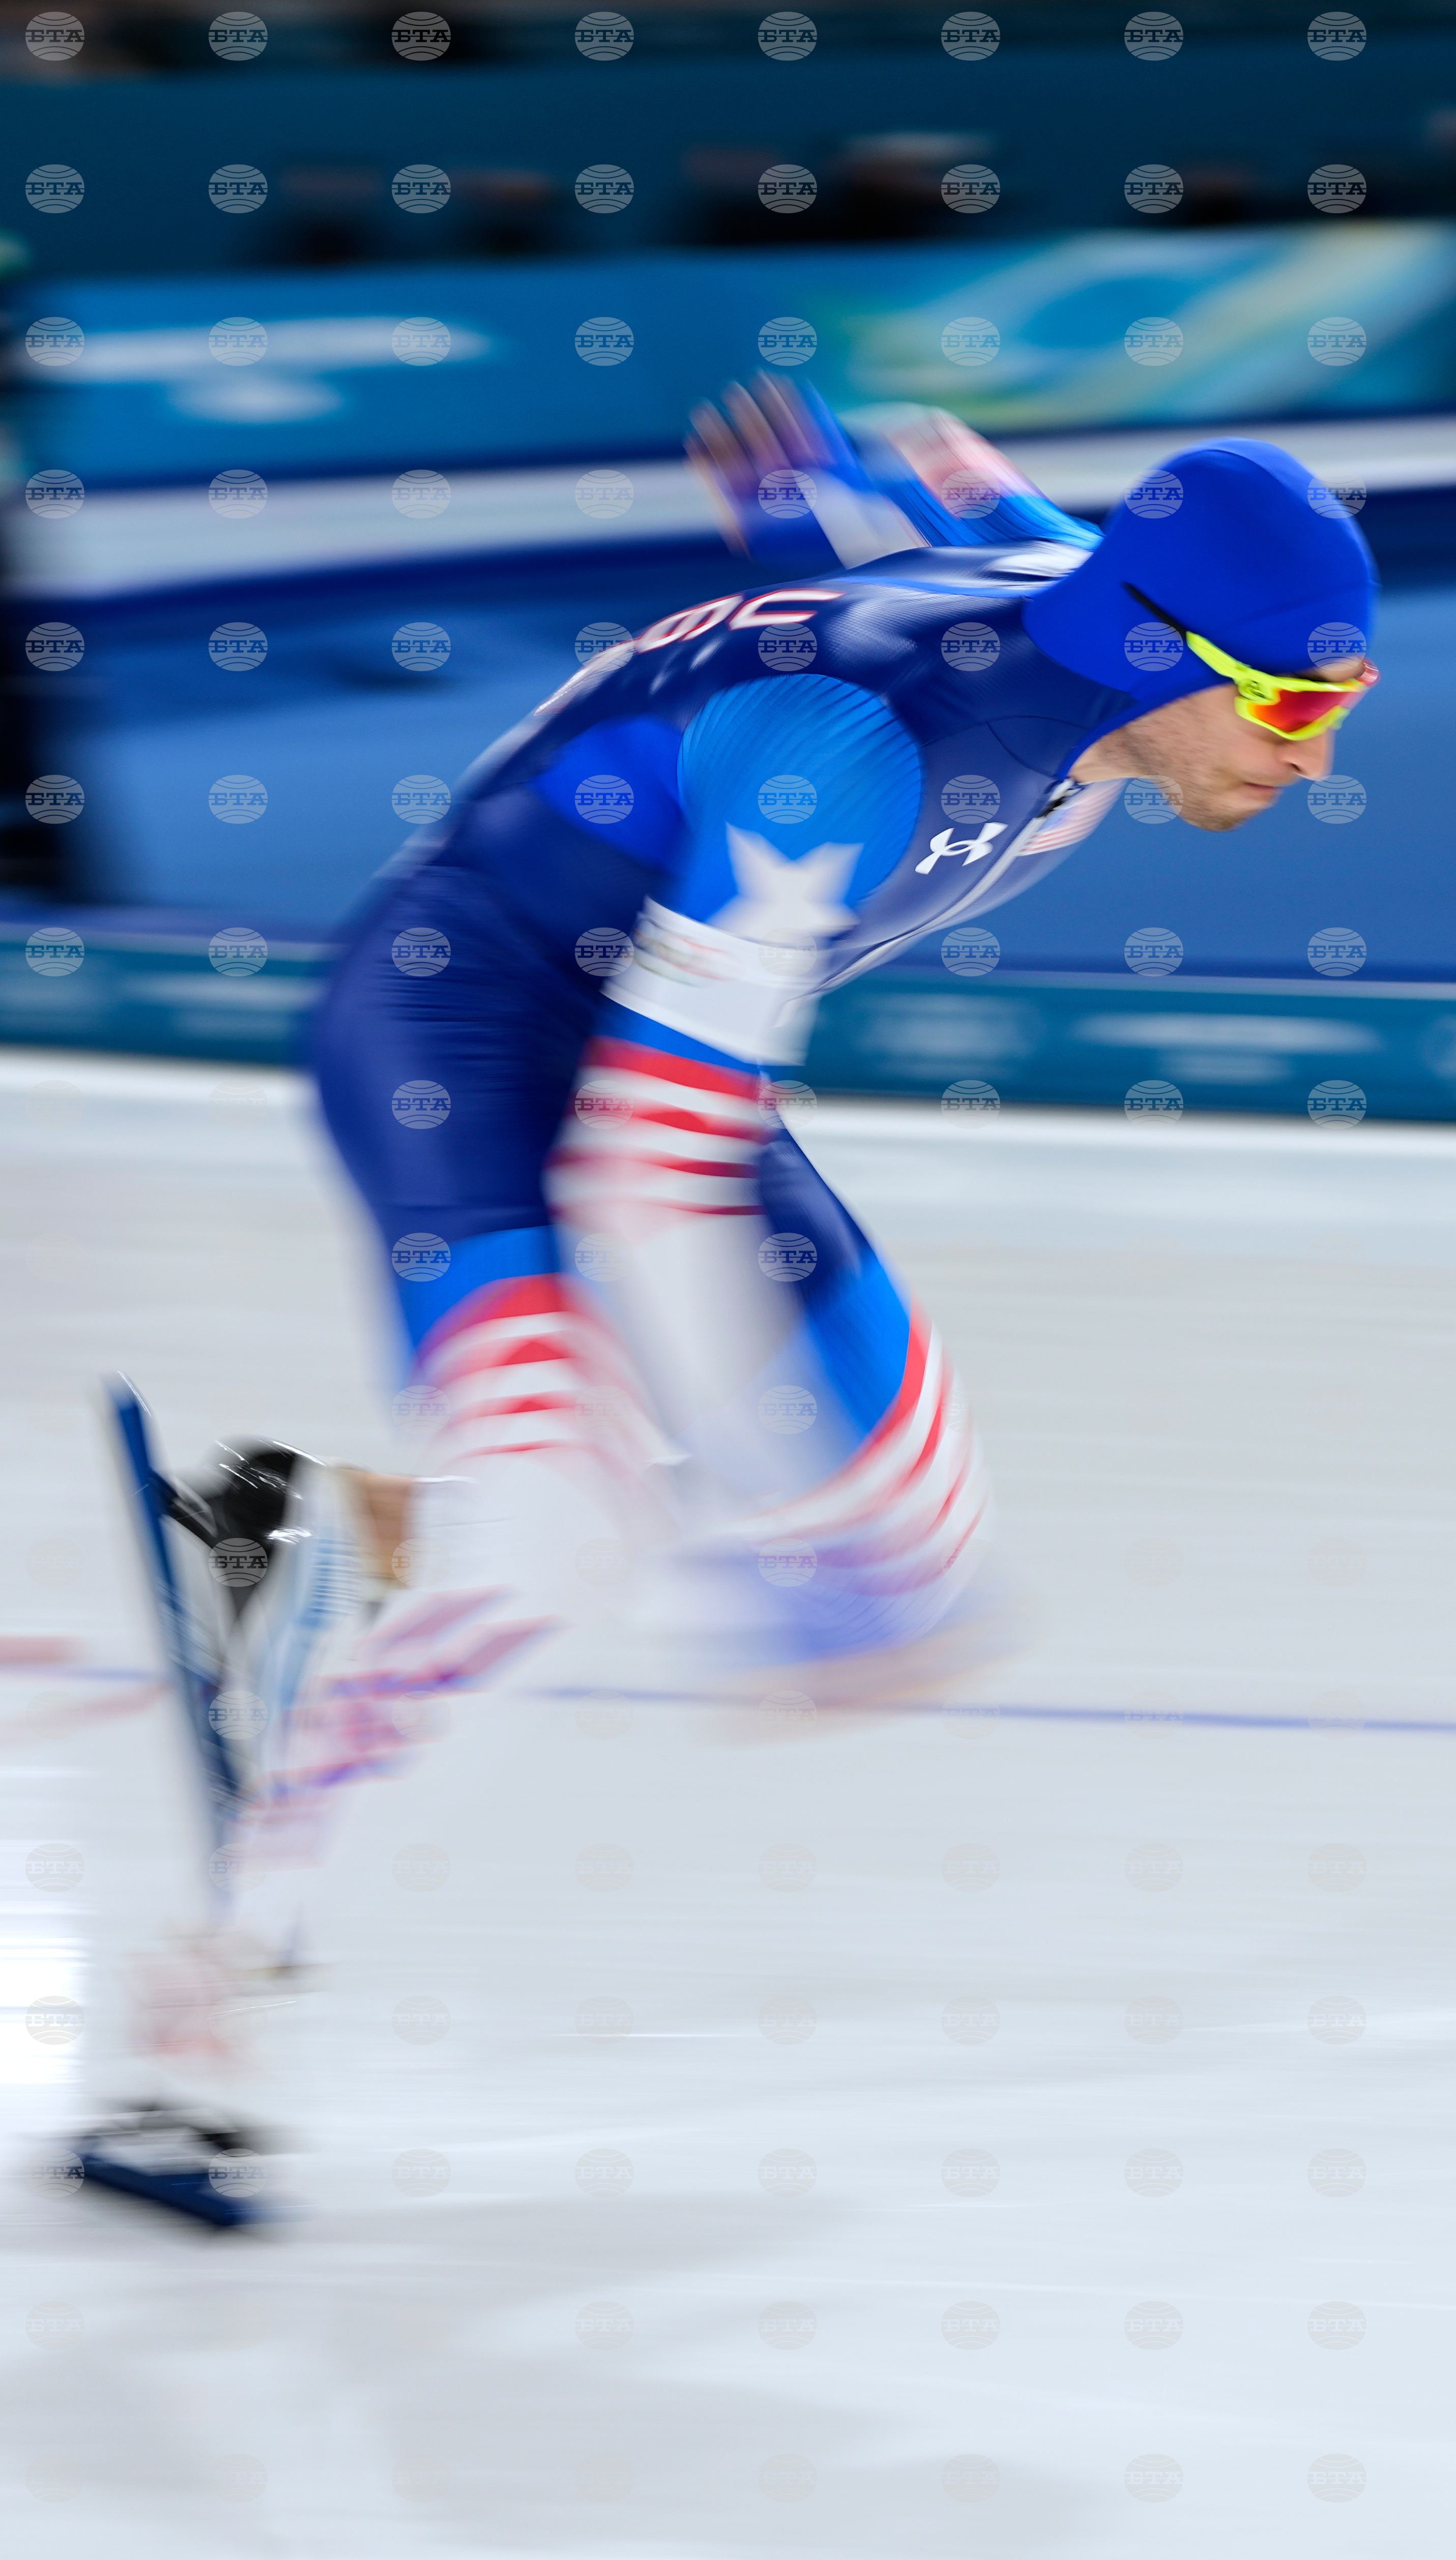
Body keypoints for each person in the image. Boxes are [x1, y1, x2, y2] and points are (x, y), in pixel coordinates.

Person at [83, 388, 1377, 2219]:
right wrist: (766, 1562)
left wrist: (817, 494)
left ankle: (327, 1539)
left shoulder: (1076, 599)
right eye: (1298, 708)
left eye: (1345, 707)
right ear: (1164, 650)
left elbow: (966, 520)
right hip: (461, 1024)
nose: (1316, 761)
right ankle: (190, 2025)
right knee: (567, 1539)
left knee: (917, 1522)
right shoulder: (850, 762)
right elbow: (641, 1172)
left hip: (663, 1015)